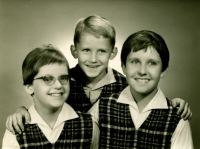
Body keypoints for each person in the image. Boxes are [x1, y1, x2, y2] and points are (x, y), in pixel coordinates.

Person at [6, 15, 192, 135]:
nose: (93, 59)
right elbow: (40, 105)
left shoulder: (124, 84)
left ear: (113, 53)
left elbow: (147, 104)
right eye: (86, 50)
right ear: (74, 51)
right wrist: (21, 110)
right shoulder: (61, 81)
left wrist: (174, 103)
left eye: (102, 51)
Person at [88, 30, 193, 148]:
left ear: (163, 70)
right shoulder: (101, 107)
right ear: (124, 67)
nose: (142, 71)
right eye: (135, 61)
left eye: (152, 63)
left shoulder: (177, 119)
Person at [2, 45, 99, 149]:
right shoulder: (16, 129)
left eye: (63, 78)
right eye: (47, 79)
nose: (58, 85)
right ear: (30, 87)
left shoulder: (89, 126)